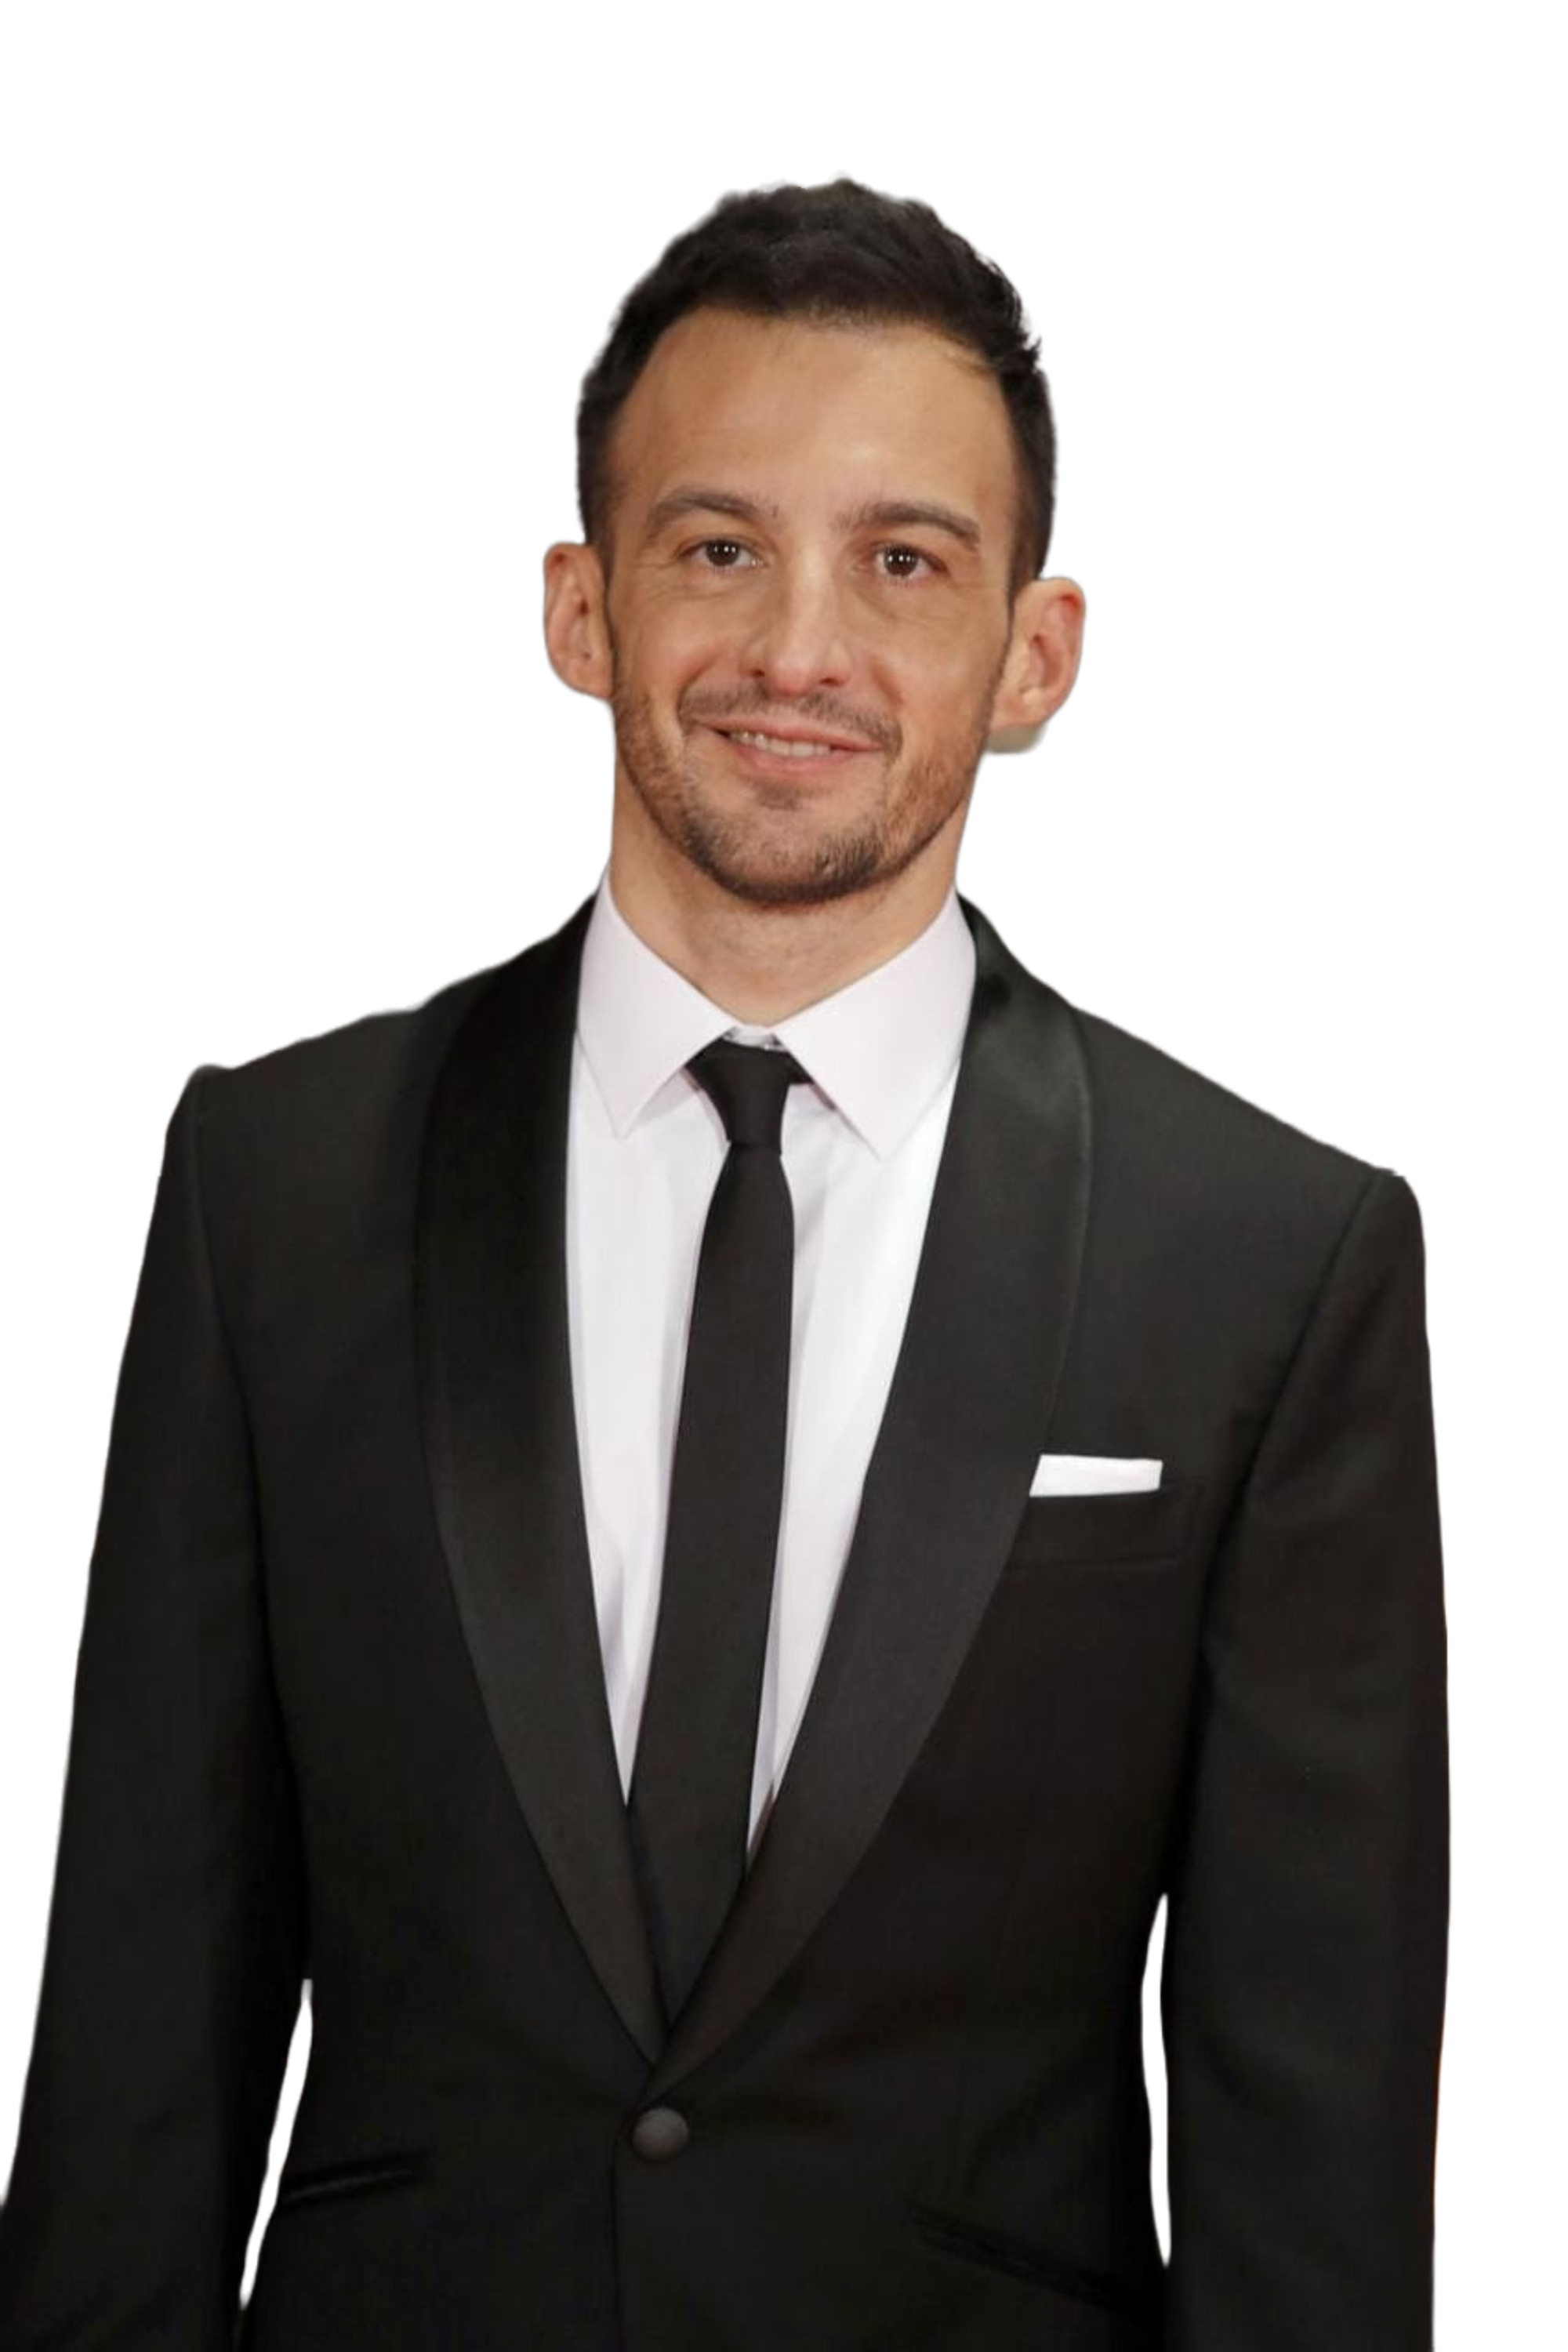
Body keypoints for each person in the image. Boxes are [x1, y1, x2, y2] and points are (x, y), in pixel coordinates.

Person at [0, 170, 1448, 2347]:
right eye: (717, 548)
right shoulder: (269, 1183)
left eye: (903, 560)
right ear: (581, 609)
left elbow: (1310, 2134)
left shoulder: (1278, 1253)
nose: (799, 651)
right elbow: (139, 2011)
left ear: (1036, 650)